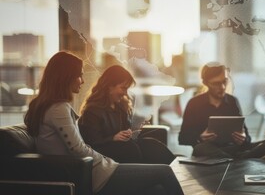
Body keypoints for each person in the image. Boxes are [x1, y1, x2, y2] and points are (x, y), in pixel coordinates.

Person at [24, 51, 183, 195]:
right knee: (165, 172)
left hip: (88, 170)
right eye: (79, 75)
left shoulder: (46, 106)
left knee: (157, 188)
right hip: (96, 174)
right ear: (66, 77)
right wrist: (108, 162)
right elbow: (79, 148)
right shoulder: (59, 109)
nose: (83, 80)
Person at [179, 62, 265, 159]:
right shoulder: (194, 103)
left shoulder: (232, 101)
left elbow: (247, 137)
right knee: (200, 148)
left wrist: (243, 138)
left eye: (224, 81)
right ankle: (241, 158)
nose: (222, 87)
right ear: (206, 83)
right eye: (216, 83)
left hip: (234, 148)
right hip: (208, 150)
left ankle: (234, 159)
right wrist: (200, 138)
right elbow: (183, 138)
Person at [78, 65, 176, 165]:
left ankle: (175, 168)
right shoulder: (92, 111)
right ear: (109, 86)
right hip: (106, 151)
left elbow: (125, 131)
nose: (125, 93)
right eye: (123, 88)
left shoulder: (120, 106)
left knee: (152, 143)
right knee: (132, 149)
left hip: (123, 147)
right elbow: (91, 143)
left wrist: (130, 133)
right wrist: (113, 138)